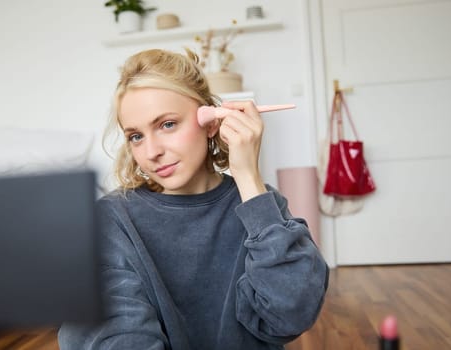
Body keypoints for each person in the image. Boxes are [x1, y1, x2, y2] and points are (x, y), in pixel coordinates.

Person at [59, 49, 328, 350]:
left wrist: (249, 178)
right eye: (136, 136)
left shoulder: (263, 205)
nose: (151, 152)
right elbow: (114, 334)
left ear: (212, 122)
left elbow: (290, 315)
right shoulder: (112, 219)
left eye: (167, 124)